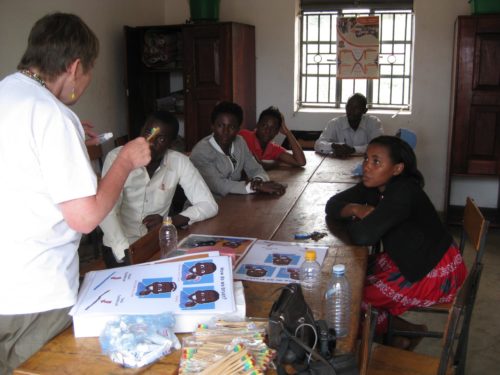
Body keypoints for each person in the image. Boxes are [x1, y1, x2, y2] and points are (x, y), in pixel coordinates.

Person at [0, 13, 151, 374]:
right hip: (34, 292)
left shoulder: (9, 92)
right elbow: (84, 218)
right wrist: (125, 162)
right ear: (75, 66)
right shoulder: (52, 115)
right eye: (89, 71)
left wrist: (67, 140)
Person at [325, 136, 466, 349]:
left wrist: (364, 220)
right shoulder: (375, 185)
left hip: (430, 269)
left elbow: (364, 236)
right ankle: (399, 334)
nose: (367, 167)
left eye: (376, 162)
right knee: (347, 277)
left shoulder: (403, 191)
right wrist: (357, 209)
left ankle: (402, 333)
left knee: (349, 296)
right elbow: (333, 204)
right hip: (408, 255)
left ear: (397, 169)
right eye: (366, 159)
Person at [99, 111, 218, 267]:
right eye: (148, 133)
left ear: (171, 143)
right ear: (141, 131)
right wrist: (125, 252)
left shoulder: (179, 162)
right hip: (119, 246)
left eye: (161, 139)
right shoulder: (117, 158)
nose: (150, 142)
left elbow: (209, 205)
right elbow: (107, 211)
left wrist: (169, 222)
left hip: (156, 243)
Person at [190, 101, 286, 199]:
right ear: (212, 126)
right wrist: (256, 186)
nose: (226, 132)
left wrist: (258, 180)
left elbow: (256, 169)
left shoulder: (240, 142)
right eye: (220, 125)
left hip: (234, 201)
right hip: (204, 207)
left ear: (238, 129)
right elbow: (219, 185)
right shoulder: (201, 151)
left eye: (231, 127)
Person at [314, 93, 383, 157]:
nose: (351, 111)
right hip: (340, 163)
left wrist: (353, 150)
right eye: (348, 106)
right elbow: (318, 145)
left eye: (356, 108)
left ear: (364, 110)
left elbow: (378, 146)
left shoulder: (373, 122)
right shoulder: (335, 123)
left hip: (365, 162)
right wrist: (333, 146)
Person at [239, 106, 306, 169]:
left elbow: (301, 162)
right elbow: (253, 164)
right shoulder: (244, 136)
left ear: (277, 131)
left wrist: (287, 132)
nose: (267, 131)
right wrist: (276, 163)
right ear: (257, 125)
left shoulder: (273, 148)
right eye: (264, 125)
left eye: (273, 128)